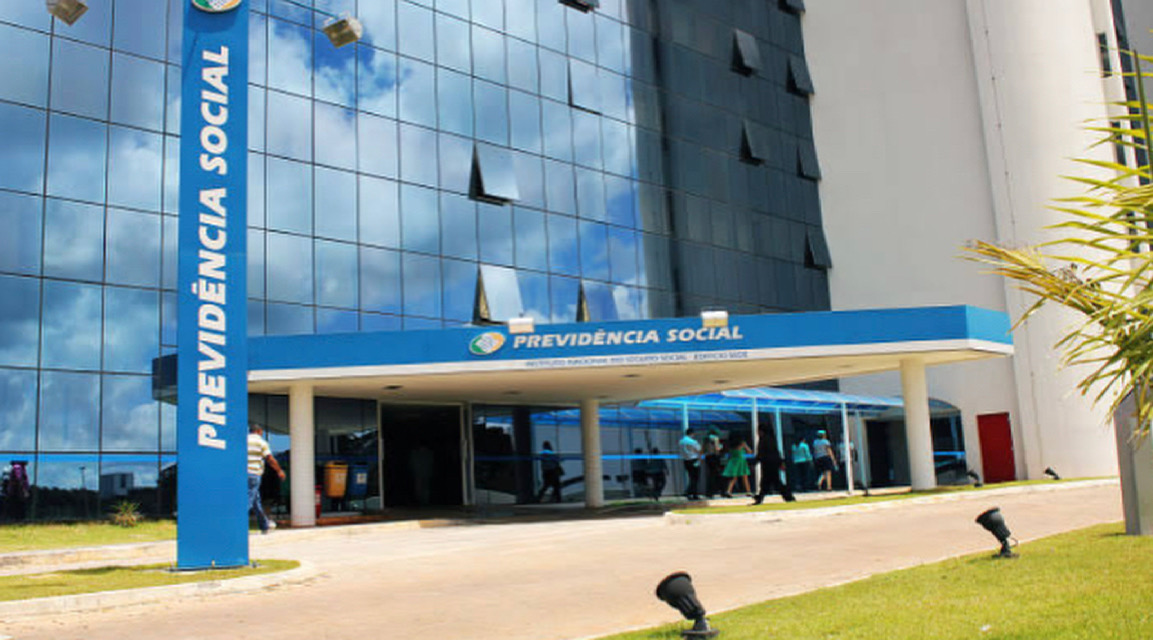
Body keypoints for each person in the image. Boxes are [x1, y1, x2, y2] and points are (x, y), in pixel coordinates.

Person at [248, 424, 285, 534]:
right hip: (254, 474)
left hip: (242, 474)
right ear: (259, 431)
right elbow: (269, 458)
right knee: (248, 500)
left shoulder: (243, 441)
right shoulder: (261, 442)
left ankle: (264, 525)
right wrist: (279, 470)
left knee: (256, 501)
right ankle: (236, 525)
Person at [751, 427, 795, 504]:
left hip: (767, 465)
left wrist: (754, 463)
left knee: (770, 483)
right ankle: (788, 496)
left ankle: (760, 497)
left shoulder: (763, 440)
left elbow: (761, 454)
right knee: (771, 482)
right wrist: (780, 462)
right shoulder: (771, 440)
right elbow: (776, 452)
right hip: (773, 464)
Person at [679, 429, 703, 500]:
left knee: (691, 477)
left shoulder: (681, 442)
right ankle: (692, 493)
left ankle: (690, 493)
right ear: (692, 433)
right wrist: (699, 460)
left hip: (686, 460)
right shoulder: (693, 442)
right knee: (695, 478)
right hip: (694, 460)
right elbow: (699, 450)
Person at [702, 427, 725, 498]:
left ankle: (709, 492)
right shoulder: (715, 438)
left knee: (710, 475)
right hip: (714, 457)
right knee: (717, 474)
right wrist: (721, 447)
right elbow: (717, 448)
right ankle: (720, 490)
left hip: (708, 457)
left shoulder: (705, 439)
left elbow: (703, 449)